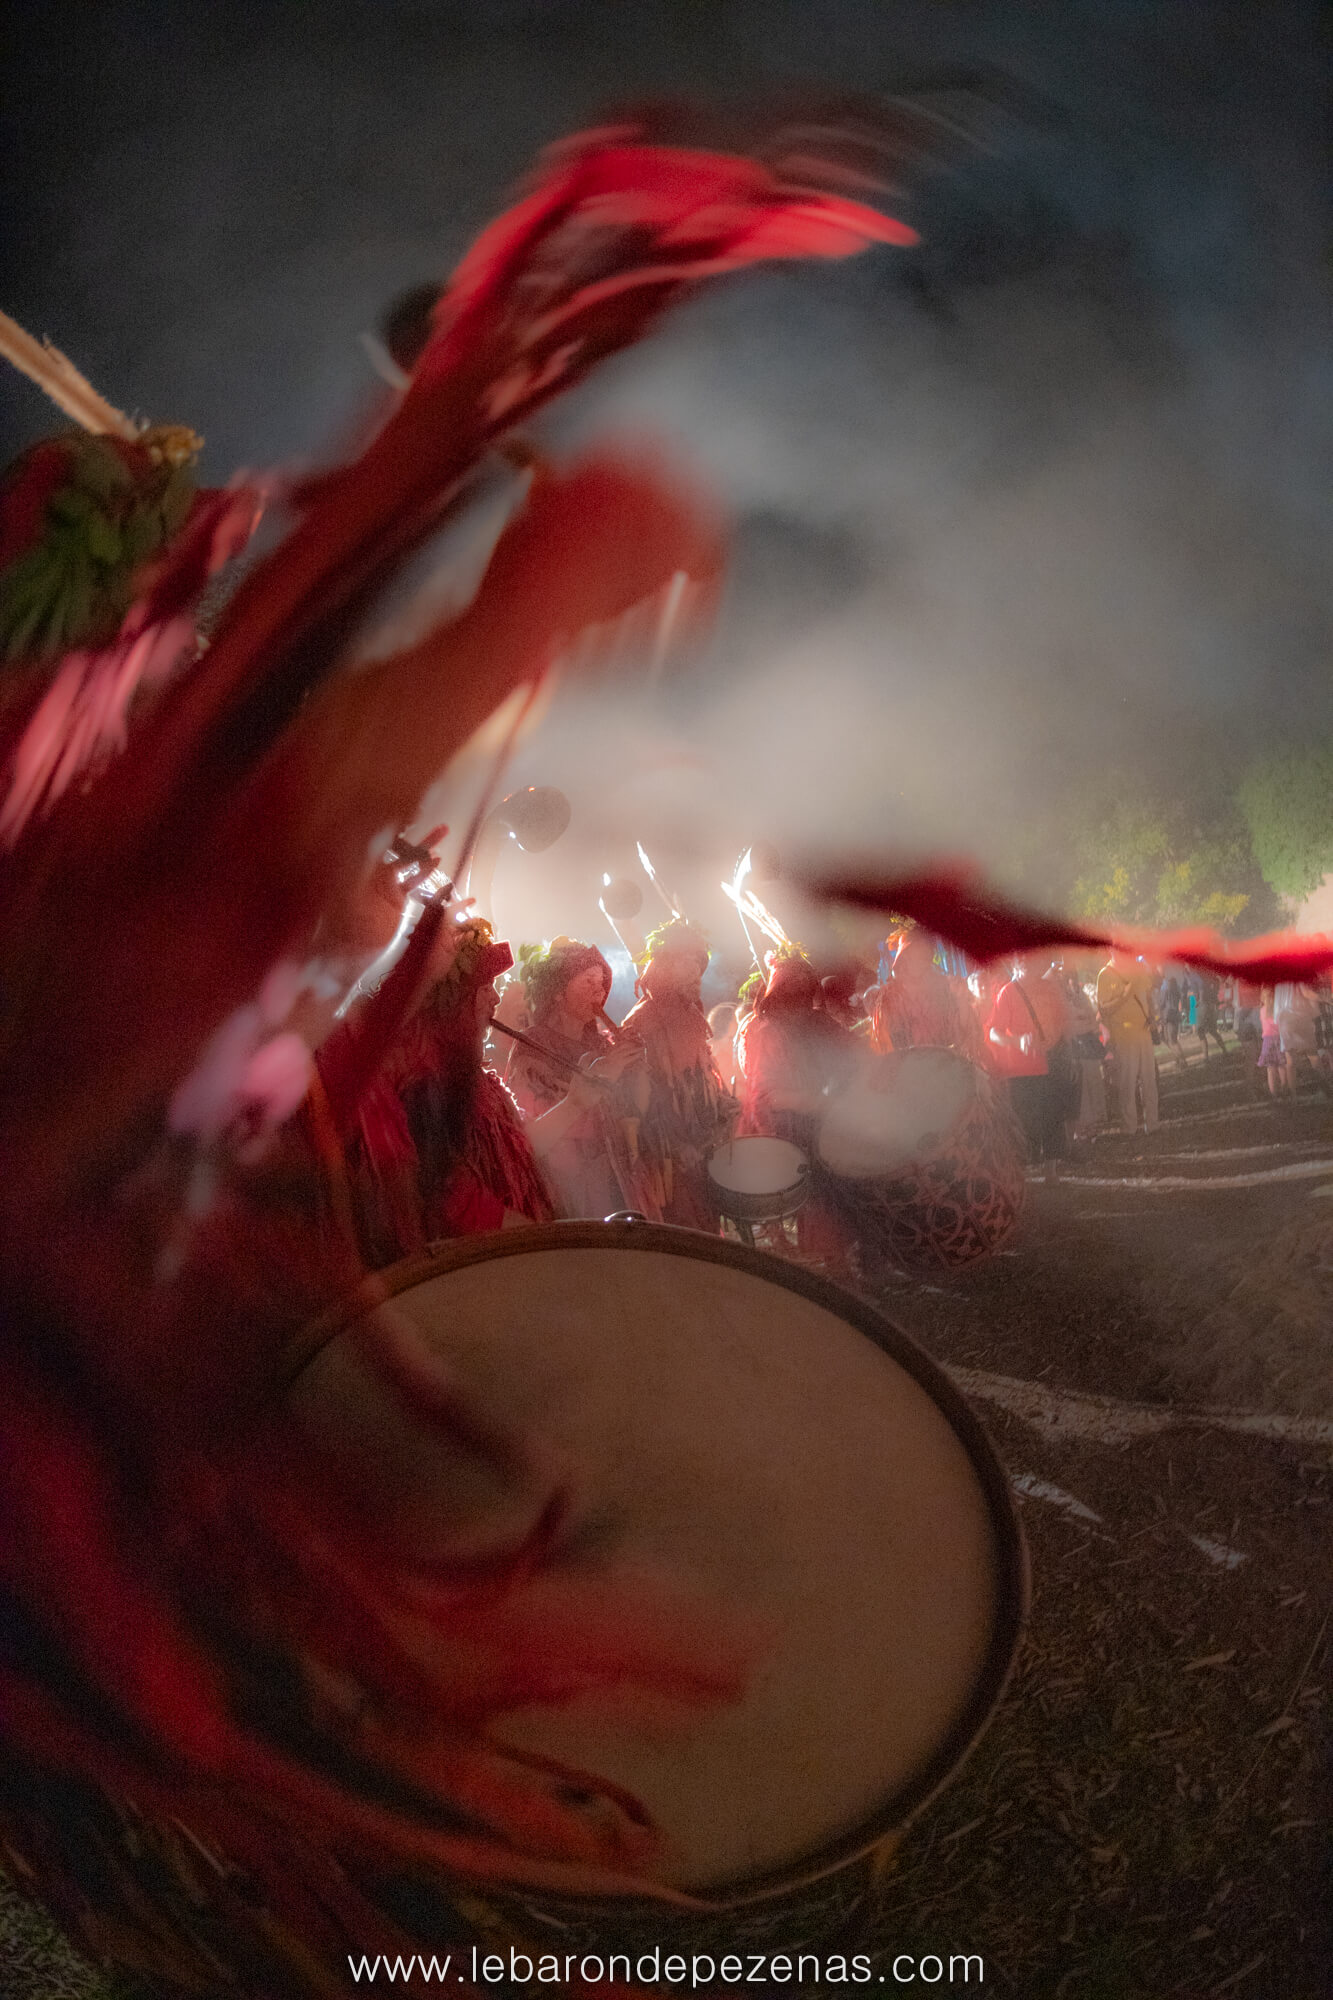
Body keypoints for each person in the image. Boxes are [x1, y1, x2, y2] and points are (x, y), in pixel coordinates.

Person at [504, 937, 664, 1219]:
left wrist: (637, 1069)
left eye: (601, 983)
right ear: (557, 992)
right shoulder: (534, 1048)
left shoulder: (602, 1044)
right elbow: (531, 1134)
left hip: (621, 1183)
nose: (598, 991)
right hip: (571, 1191)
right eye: (587, 981)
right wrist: (606, 1074)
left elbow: (636, 1109)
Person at [619, 920, 739, 1229]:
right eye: (688, 963)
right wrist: (673, 1144)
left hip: (700, 1151)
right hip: (666, 1163)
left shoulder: (691, 1015)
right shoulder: (642, 1022)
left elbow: (700, 1074)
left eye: (699, 965)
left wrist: (720, 1103)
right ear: (666, 965)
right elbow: (635, 1103)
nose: (696, 974)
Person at [985, 957, 1068, 1164]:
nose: (1032, 966)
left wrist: (1053, 1041)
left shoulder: (1049, 988)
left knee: (1053, 1116)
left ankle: (1052, 1167)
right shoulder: (1009, 992)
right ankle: (1031, 1164)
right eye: (1026, 962)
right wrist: (1018, 1040)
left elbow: (1061, 1020)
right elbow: (994, 1032)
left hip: (1051, 1062)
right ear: (1017, 965)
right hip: (1022, 1069)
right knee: (1026, 1119)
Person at [1095, 951, 1160, 1136]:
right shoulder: (1105, 974)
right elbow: (1104, 1009)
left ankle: (1153, 1124)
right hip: (1123, 1036)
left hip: (1144, 1033)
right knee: (1127, 1082)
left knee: (1149, 1080)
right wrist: (1124, 994)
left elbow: (1147, 997)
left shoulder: (1137, 970)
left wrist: (1153, 1018)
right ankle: (1129, 1127)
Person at [869, 930, 965, 1054]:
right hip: (911, 1066)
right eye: (920, 955)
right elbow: (884, 1047)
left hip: (945, 1061)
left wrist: (961, 1001)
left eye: (927, 956)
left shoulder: (942, 988)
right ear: (904, 958)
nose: (926, 961)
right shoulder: (889, 999)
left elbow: (961, 1033)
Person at [1194, 971, 1226, 1062]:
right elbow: (1214, 996)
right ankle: (1224, 1050)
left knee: (1201, 1032)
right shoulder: (1212, 981)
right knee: (1213, 1031)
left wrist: (1199, 1001)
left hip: (1206, 1007)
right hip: (1211, 1008)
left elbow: (1206, 994)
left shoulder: (1205, 981)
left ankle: (1205, 1057)